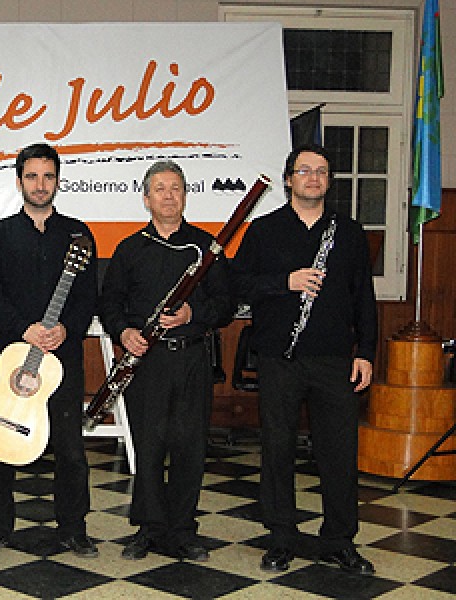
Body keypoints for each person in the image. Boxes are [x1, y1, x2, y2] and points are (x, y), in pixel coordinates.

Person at [231, 143, 377, 575]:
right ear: (288, 179)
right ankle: (281, 537)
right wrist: (286, 282)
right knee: (277, 449)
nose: (313, 178)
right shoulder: (263, 230)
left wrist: (366, 352)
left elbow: (363, 298)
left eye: (321, 171)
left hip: (334, 359)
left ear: (328, 181)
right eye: (305, 170)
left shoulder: (349, 233)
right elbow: (238, 285)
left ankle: (339, 540)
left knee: (339, 452)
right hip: (280, 358)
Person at [99, 160, 234, 561]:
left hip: (192, 359)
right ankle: (150, 528)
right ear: (146, 199)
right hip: (147, 362)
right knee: (149, 445)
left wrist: (194, 313)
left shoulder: (207, 249)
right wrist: (124, 332)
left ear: (185, 196)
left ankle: (183, 530)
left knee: (190, 447)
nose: (168, 196)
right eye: (160, 189)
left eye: (175, 188)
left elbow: (226, 305)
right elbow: (109, 304)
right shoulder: (129, 249)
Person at [0, 142, 98, 559]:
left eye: (48, 176)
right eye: (32, 176)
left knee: (70, 448)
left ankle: (74, 529)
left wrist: (65, 328)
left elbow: (87, 296)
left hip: (63, 358)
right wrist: (22, 329)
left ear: (58, 181)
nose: (40, 185)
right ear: (19, 180)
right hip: (14, 355)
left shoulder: (78, 234)